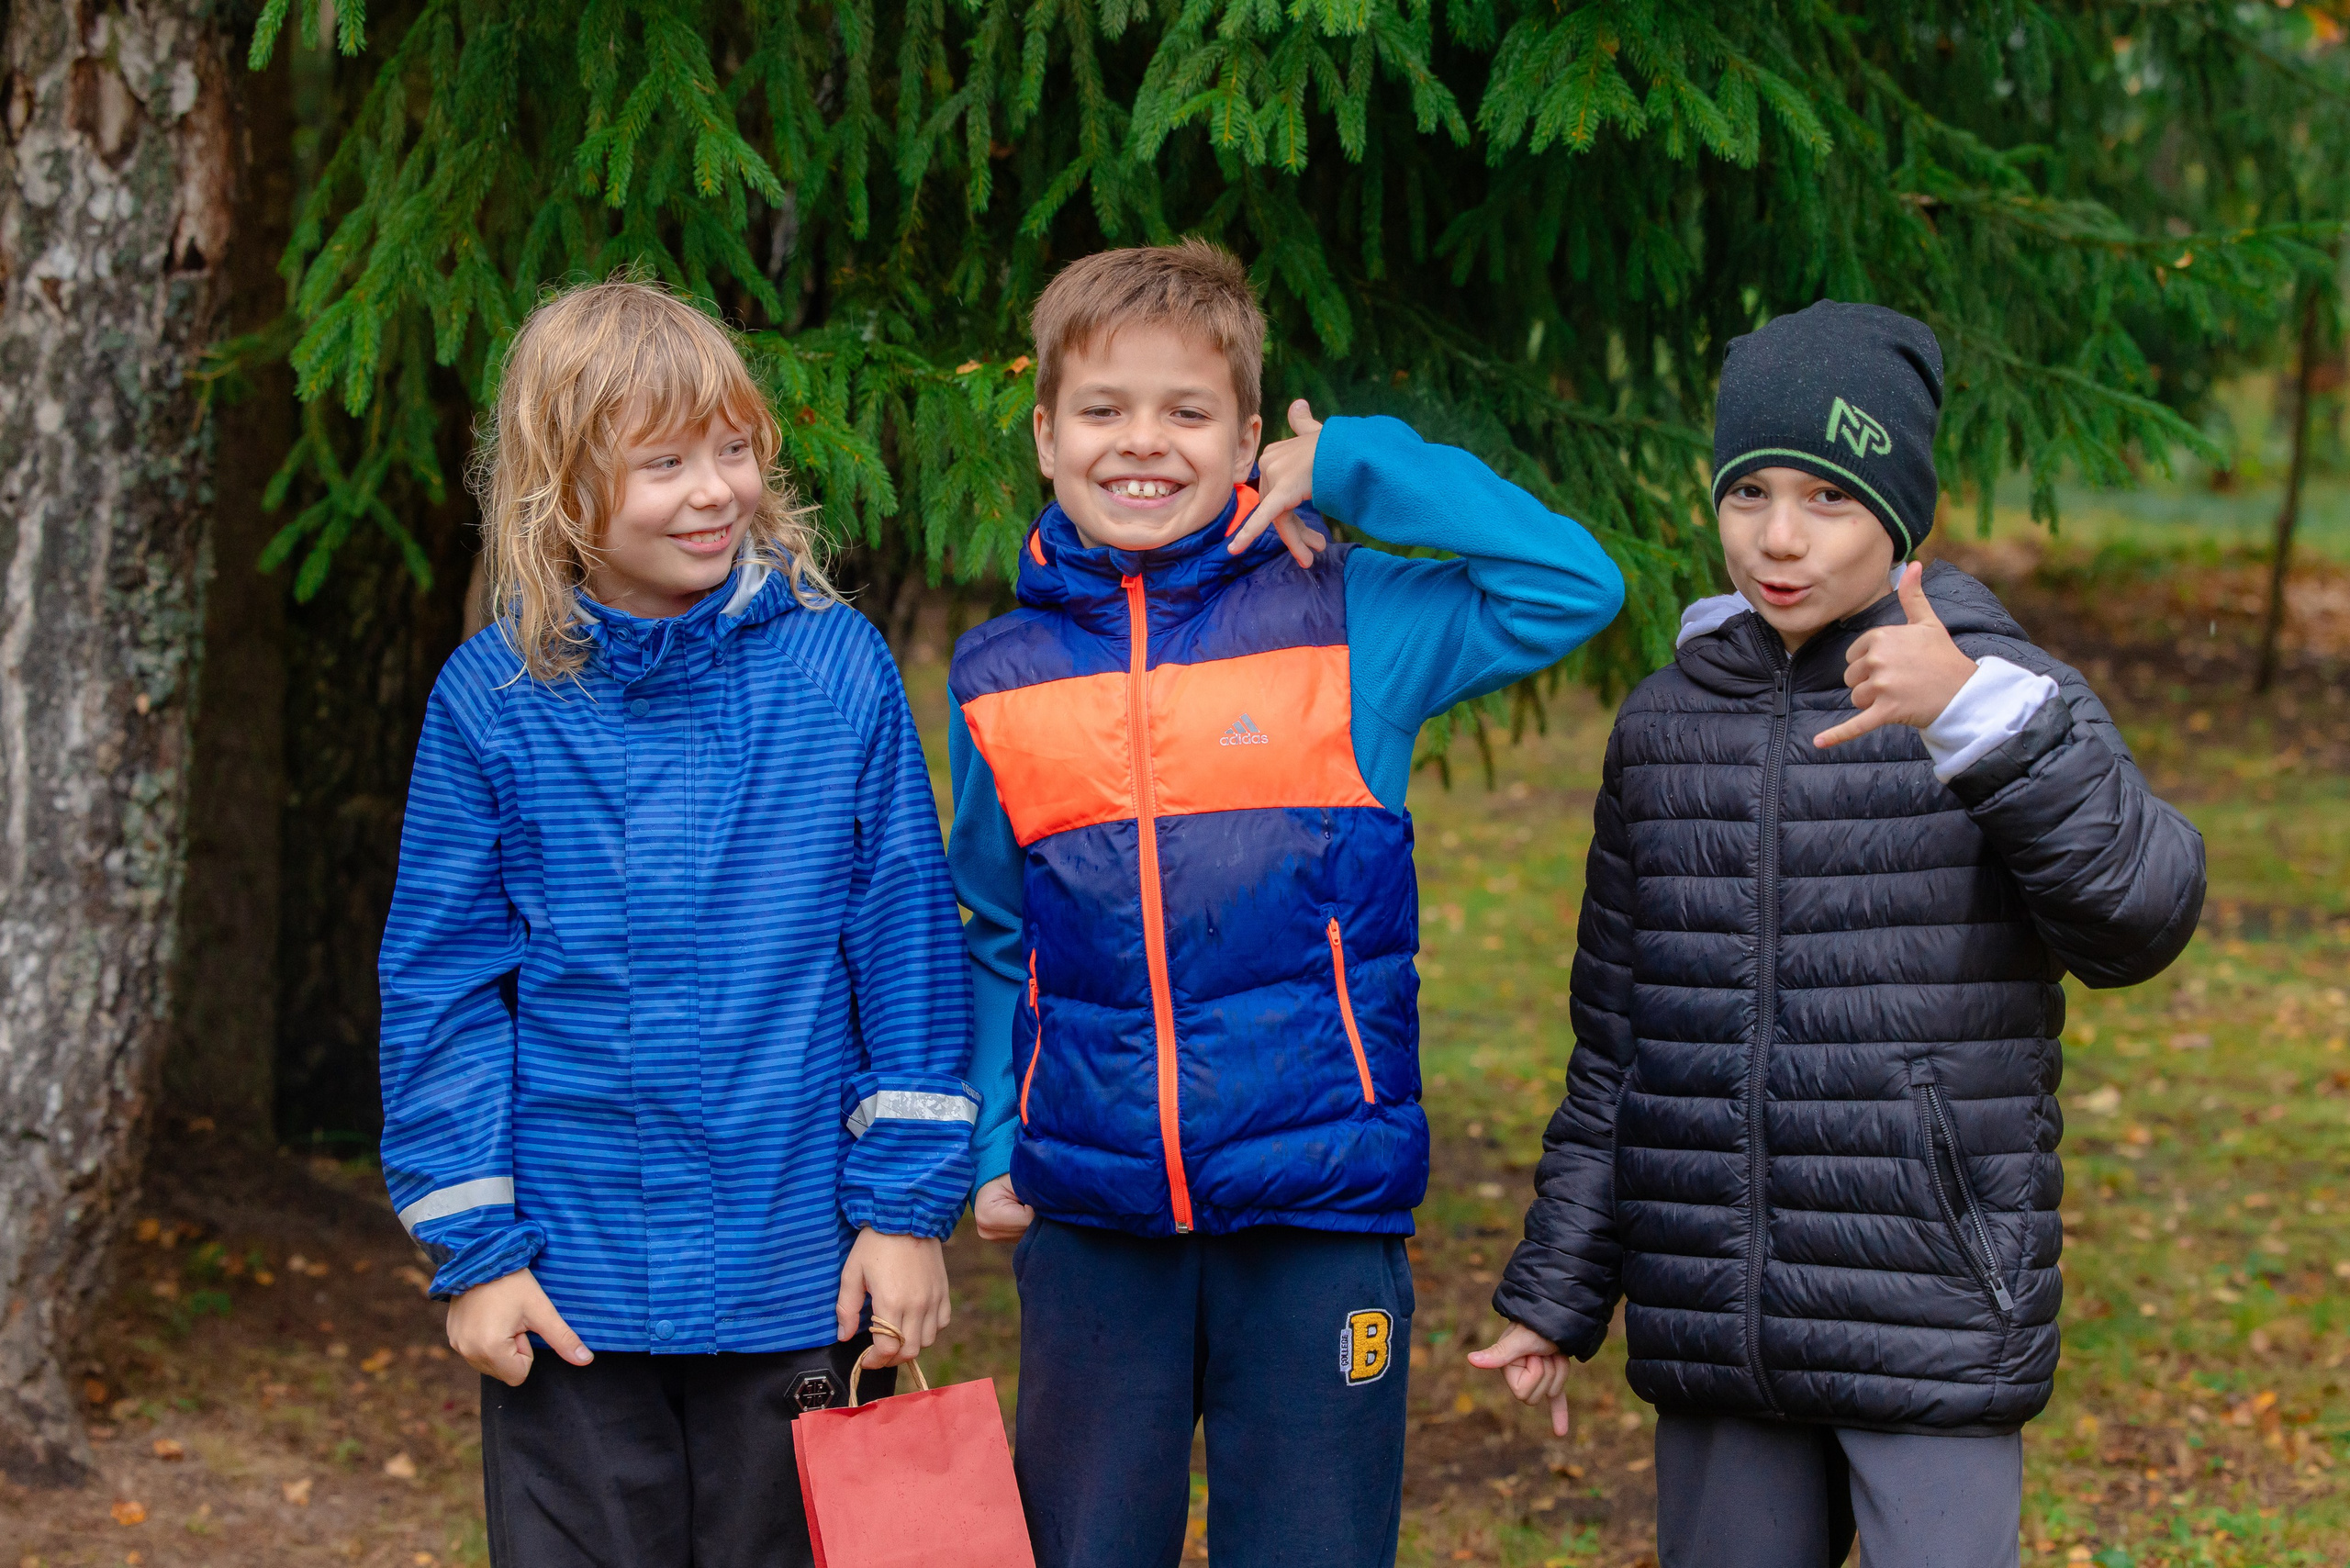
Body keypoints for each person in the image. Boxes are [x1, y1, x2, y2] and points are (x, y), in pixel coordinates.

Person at [1472, 300, 2208, 1568]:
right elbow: (1619, 1048)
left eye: (1827, 498)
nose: (1777, 537)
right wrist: (1558, 1293)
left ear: (1902, 515)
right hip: (1720, 1324)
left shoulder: (1999, 692)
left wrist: (1977, 721)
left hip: (1927, 1314)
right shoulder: (1665, 724)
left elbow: (2141, 916)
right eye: (1748, 491)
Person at [947, 239, 1626, 1567]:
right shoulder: (1000, 674)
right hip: (1092, 1224)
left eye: (1187, 411)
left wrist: (1357, 464)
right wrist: (990, 1144)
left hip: (1320, 1215)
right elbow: (993, 926)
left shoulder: (1347, 619)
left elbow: (1573, 585)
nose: (1143, 444)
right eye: (1102, 409)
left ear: (1247, 435)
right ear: (1043, 434)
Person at [376, 279, 977, 1568]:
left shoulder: (838, 669)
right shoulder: (493, 700)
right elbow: (441, 993)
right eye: (663, 463)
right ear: (561, 486)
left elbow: (908, 953)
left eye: (734, 447)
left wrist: (905, 1212)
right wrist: (476, 1255)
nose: (714, 490)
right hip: (573, 1292)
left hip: (796, 1272)